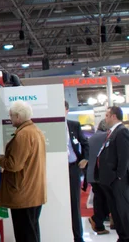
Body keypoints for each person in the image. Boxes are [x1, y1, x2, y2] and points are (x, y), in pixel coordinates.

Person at [0, 101, 46, 242]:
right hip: (32, 191)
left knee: (25, 233)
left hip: (23, 193)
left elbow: (14, 164)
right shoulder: (35, 131)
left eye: (11, 116)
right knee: (32, 230)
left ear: (18, 116)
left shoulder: (23, 135)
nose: (10, 119)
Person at [95, 106, 129, 242]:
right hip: (109, 180)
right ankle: (122, 236)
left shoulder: (121, 132)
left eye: (107, 115)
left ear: (114, 116)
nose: (105, 118)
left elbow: (124, 156)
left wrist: (119, 176)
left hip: (117, 181)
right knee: (115, 211)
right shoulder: (111, 133)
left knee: (122, 211)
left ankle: (126, 237)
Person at [66, 100, 89, 242]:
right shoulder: (50, 125)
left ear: (67, 110)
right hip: (56, 169)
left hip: (72, 167)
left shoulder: (73, 125)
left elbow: (85, 143)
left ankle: (78, 236)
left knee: (75, 203)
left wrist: (85, 158)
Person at [87, 119, 111, 235]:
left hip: (92, 174)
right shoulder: (106, 136)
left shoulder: (92, 138)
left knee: (99, 199)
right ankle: (97, 220)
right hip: (102, 174)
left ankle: (99, 224)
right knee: (108, 199)